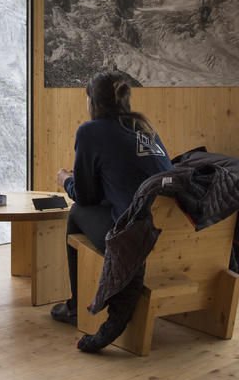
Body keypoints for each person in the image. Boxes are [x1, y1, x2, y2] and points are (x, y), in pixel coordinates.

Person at [51, 70, 172, 349]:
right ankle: (76, 303)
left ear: (92, 102)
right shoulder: (145, 128)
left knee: (76, 212)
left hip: (130, 233)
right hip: (168, 231)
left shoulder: (91, 132)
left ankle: (75, 306)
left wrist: (66, 180)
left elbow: (86, 197)